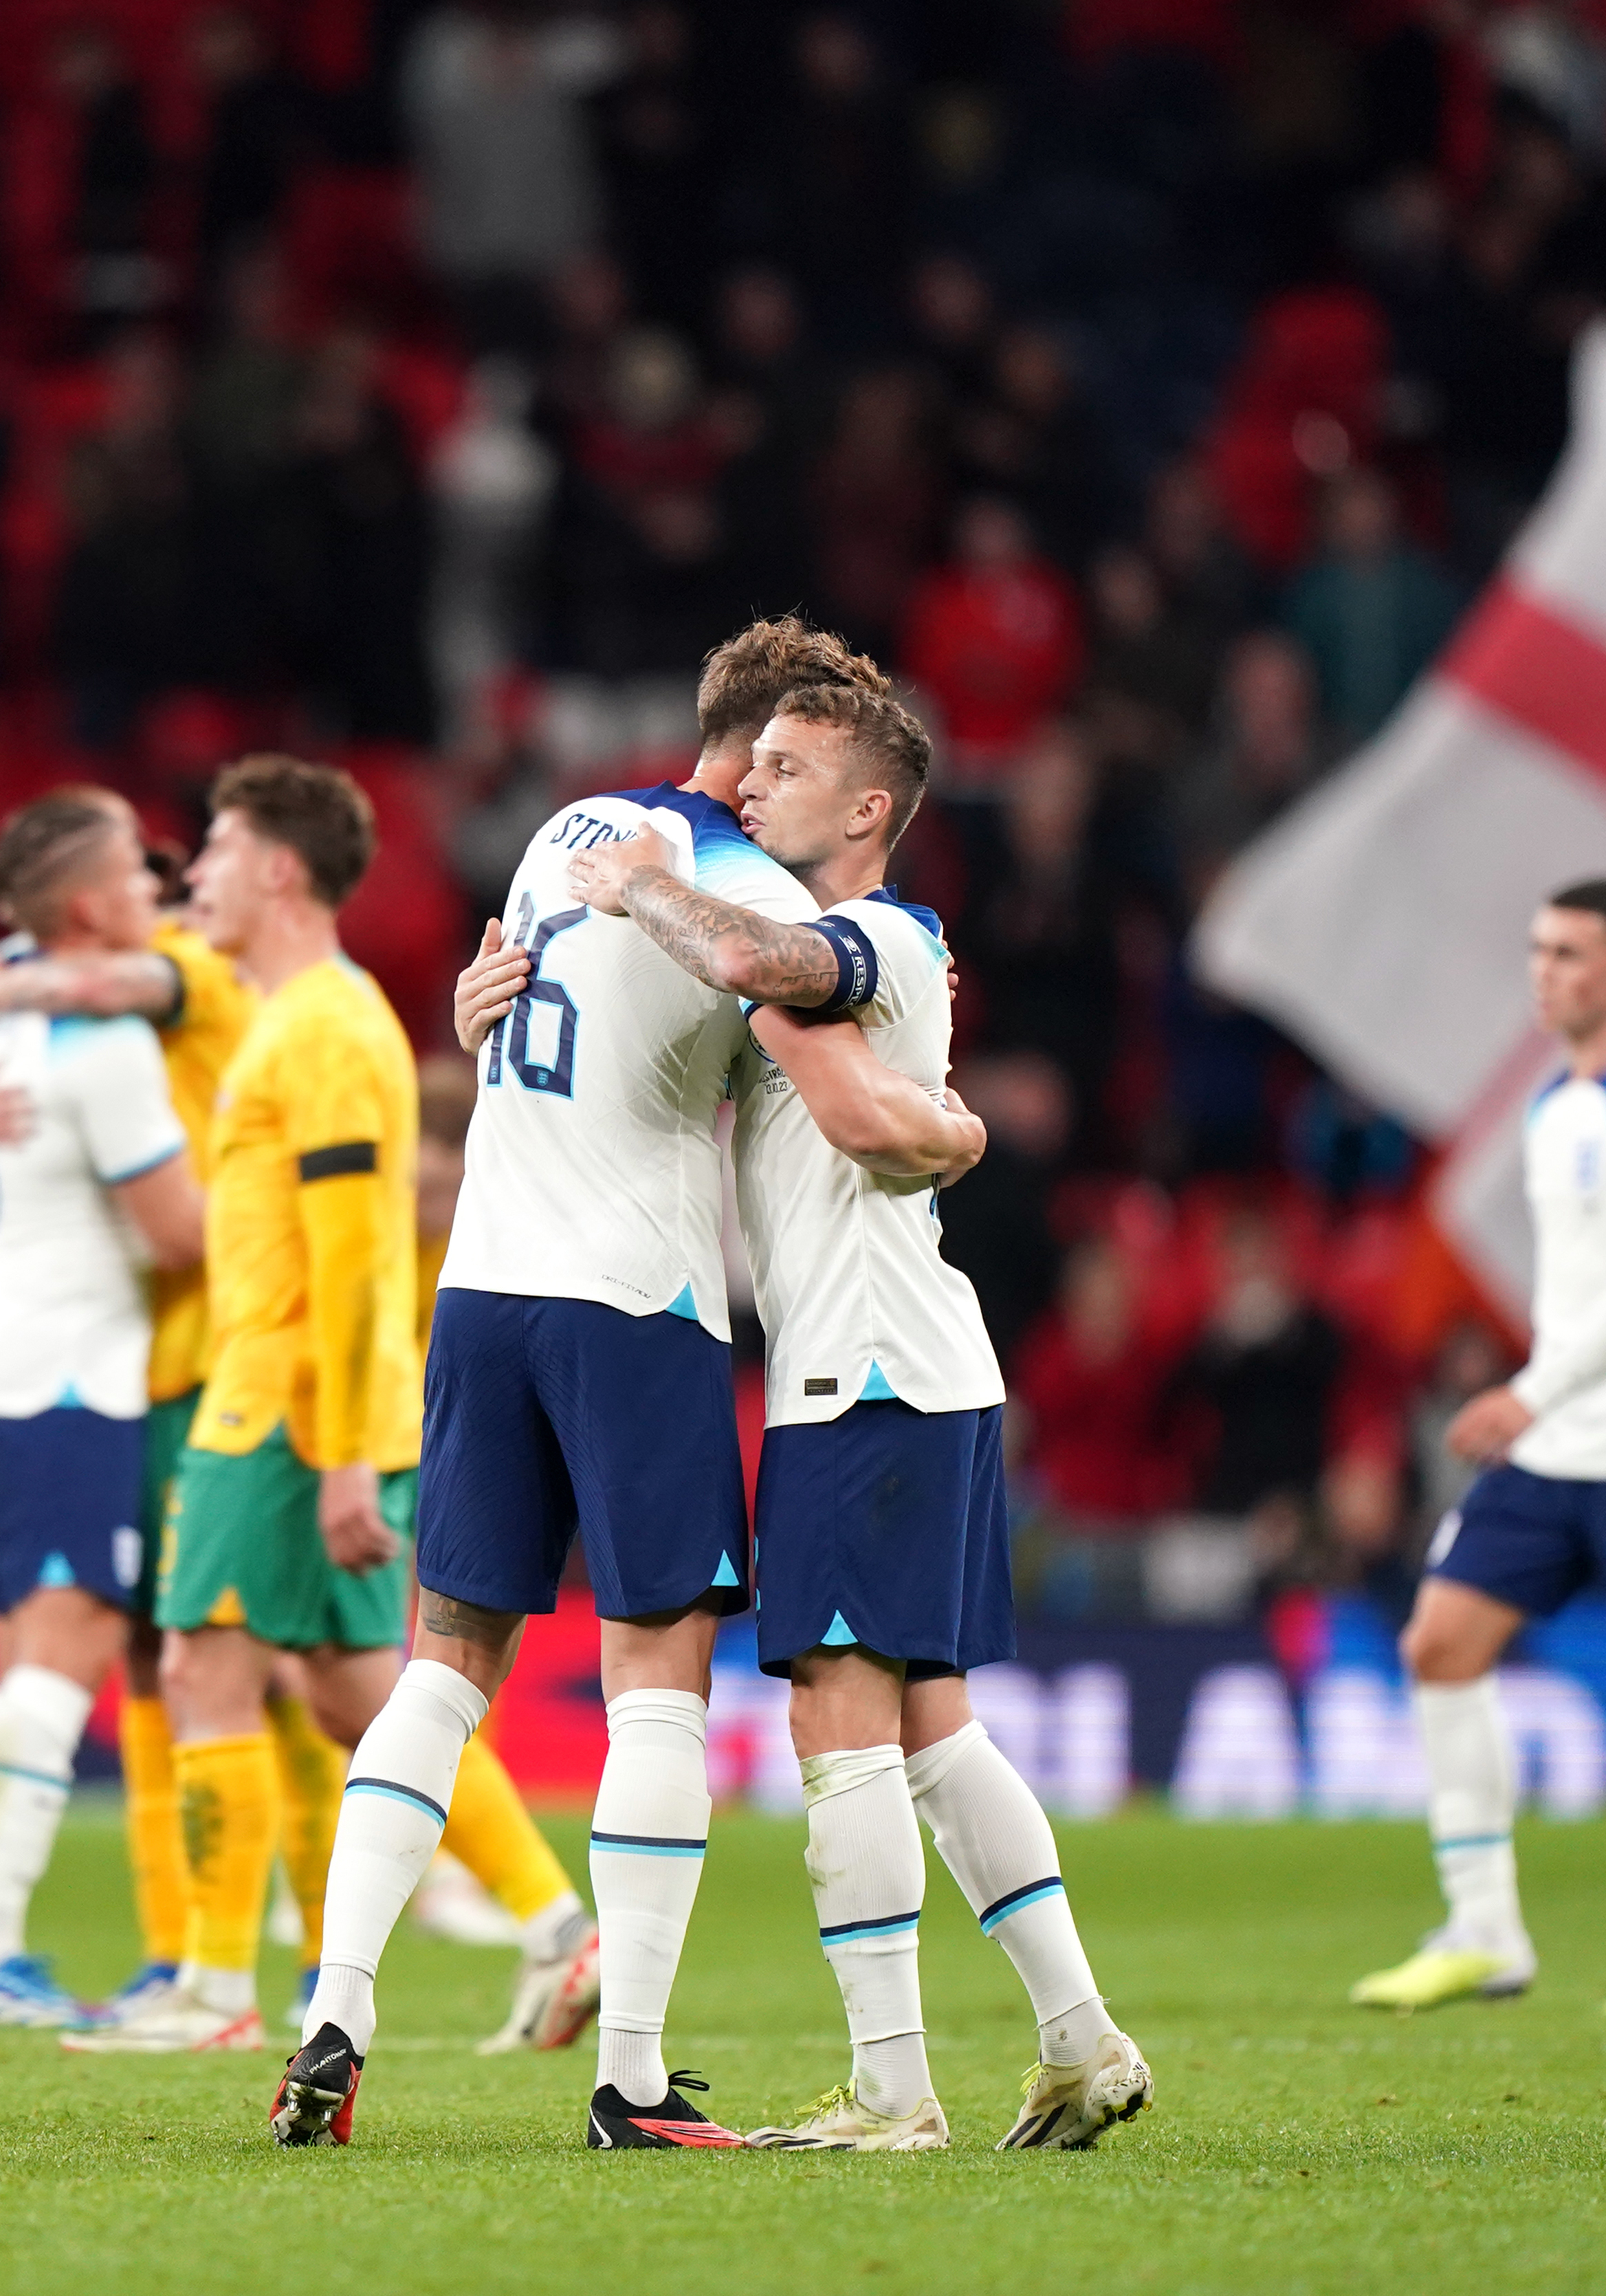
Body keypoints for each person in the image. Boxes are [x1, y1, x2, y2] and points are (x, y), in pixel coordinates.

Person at [273, 616, 879, 2154]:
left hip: (482, 1283)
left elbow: (520, 1011)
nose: (800, 795)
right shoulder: (731, 871)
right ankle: (633, 2072)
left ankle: (335, 2005)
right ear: (758, 757)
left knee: (443, 1661)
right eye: (799, 763)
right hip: (634, 1297)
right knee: (655, 1676)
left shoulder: (561, 827)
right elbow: (776, 972)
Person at [562, 678, 1154, 2152]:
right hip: (919, 1366)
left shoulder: (868, 938)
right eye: (749, 761)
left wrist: (645, 888)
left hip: (866, 1375)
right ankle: (1082, 2038)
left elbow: (777, 987)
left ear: (869, 808)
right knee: (934, 1724)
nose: (752, 787)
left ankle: (894, 2087)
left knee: (841, 1719)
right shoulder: (877, 953)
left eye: (787, 766)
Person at [0, 827, 597, 2050]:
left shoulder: (205, 975)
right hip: (211, 1371)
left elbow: (109, 986)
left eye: (193, 867)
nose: (176, 886)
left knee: (202, 1668)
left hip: (234, 1375)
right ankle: (531, 1928)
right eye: (152, 875)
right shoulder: (262, 999)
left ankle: (210, 1980)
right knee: (305, 1684)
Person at [1353, 879, 1606, 2020]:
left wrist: (1531, 1388)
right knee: (1439, 1643)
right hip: (1557, 1435)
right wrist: (1541, 1394)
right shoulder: (1552, 1105)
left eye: (1570, 953)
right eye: (1535, 950)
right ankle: (1483, 1930)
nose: (1545, 972)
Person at [0, 792, 206, 2028]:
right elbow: (182, 1234)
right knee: (67, 1644)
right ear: (89, 909)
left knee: (57, 1644)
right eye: (138, 880)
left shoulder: (1, 992)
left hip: (6, 1353)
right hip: (76, 1372)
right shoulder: (106, 1052)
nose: (160, 890)